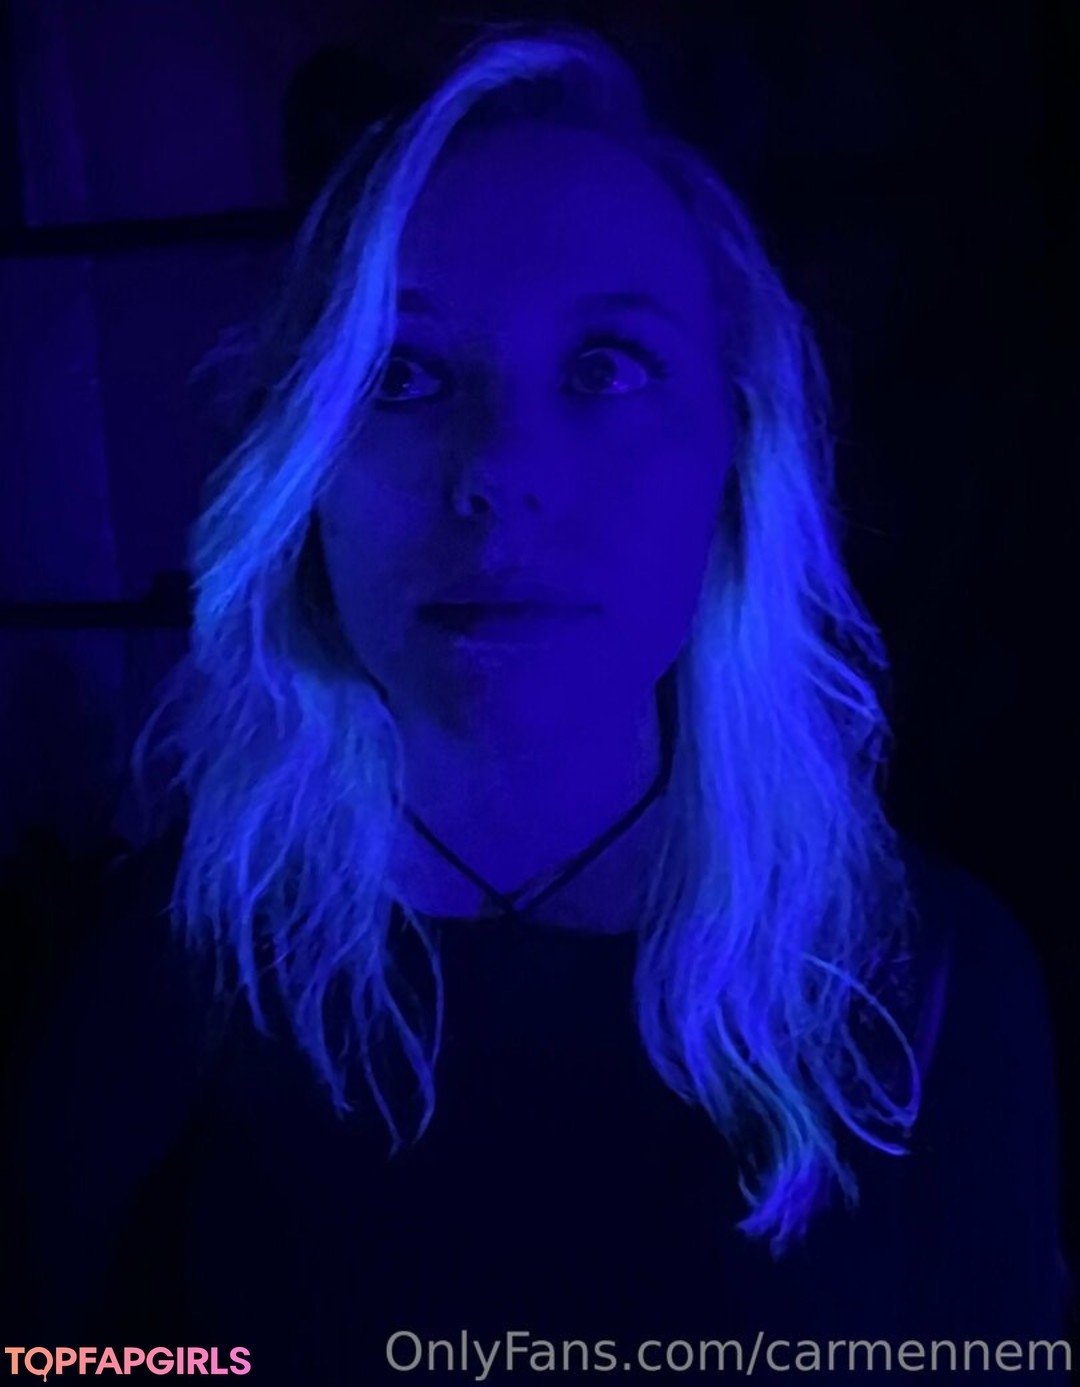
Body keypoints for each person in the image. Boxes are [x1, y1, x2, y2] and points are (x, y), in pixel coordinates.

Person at [6, 22, 1070, 1385]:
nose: (500, 470)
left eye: (607, 365)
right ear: (303, 464)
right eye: (402, 374)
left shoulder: (931, 980)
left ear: (736, 454)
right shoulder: (163, 973)